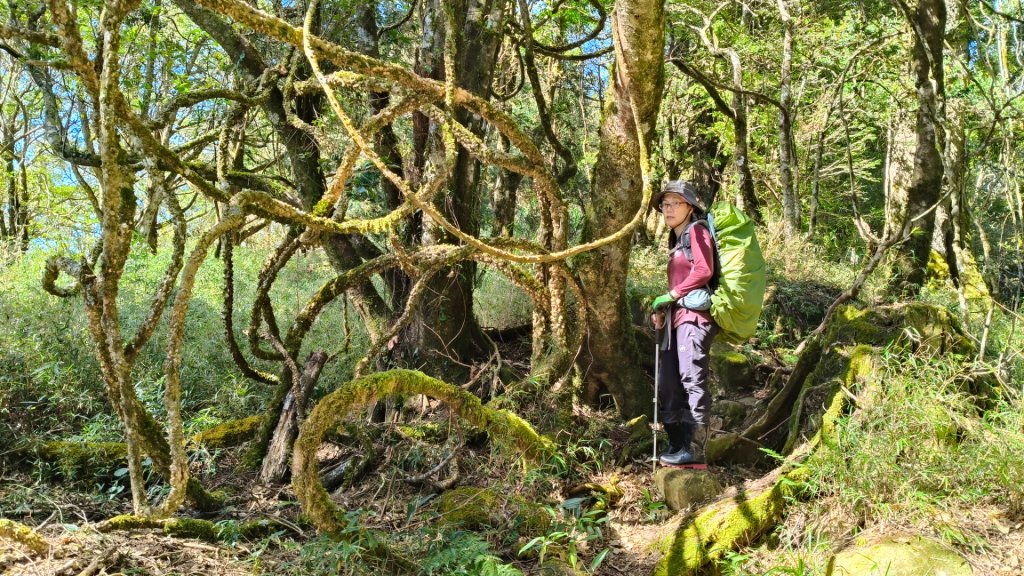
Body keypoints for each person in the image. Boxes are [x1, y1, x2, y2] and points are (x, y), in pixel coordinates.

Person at [650, 180, 719, 466]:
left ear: (689, 207)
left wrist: (673, 294)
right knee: (668, 383)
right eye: (664, 204)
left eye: (674, 203)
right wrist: (663, 308)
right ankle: (677, 444)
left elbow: (705, 270)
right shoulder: (677, 241)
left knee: (692, 377)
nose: (667, 209)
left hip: (694, 319)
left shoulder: (697, 232)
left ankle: (696, 449)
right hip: (675, 320)